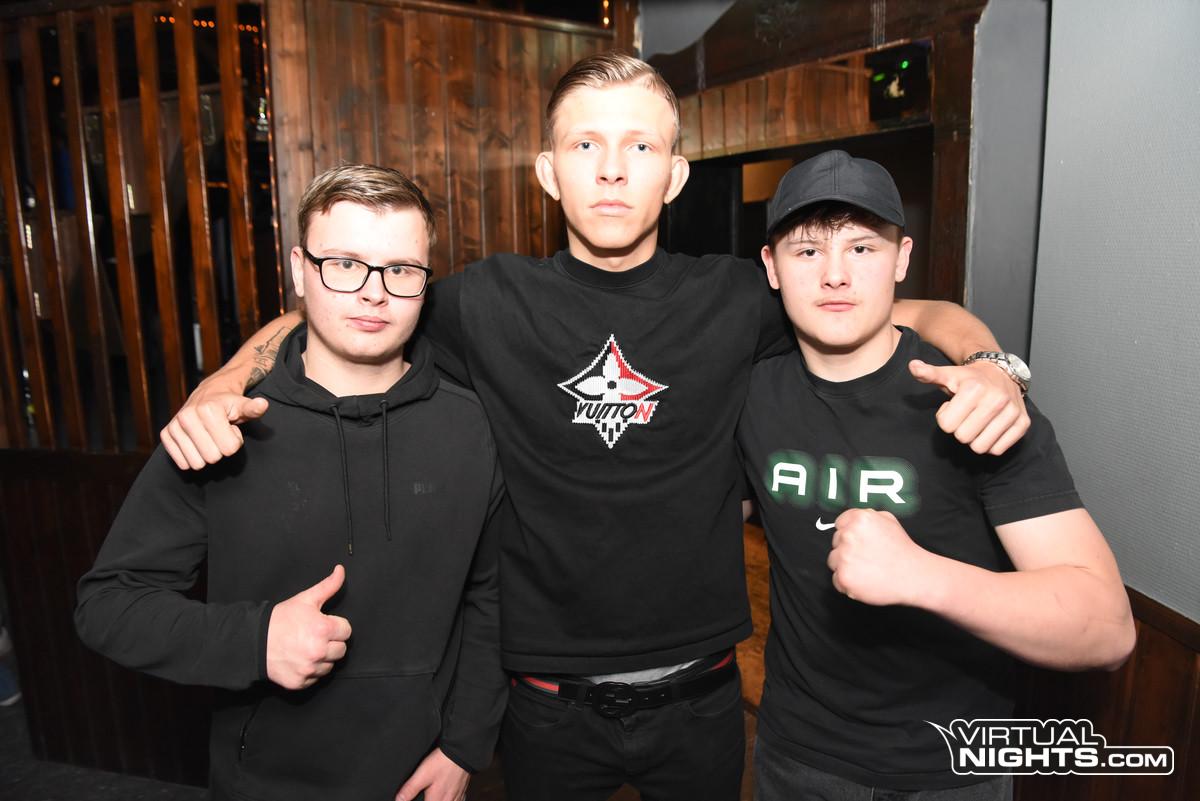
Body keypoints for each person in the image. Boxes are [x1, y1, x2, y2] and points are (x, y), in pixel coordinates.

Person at [156, 54, 1032, 801]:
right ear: (548, 171)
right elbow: (336, 310)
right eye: (586, 145)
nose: (612, 170)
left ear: (674, 175)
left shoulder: (735, 297)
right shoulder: (487, 301)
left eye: (639, 147)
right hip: (544, 704)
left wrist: (992, 364)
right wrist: (222, 381)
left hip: (703, 696)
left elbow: (912, 309)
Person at [75, 165, 508, 801]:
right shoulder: (223, 427)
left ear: (425, 281)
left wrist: (464, 746)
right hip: (265, 779)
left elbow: (490, 596)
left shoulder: (470, 427)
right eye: (345, 264)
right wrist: (256, 643)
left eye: (400, 270)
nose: (373, 293)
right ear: (300, 270)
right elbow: (109, 604)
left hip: (425, 775)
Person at [738, 150, 1136, 800]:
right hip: (795, 755)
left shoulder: (972, 400)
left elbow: (1107, 627)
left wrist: (921, 576)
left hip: (951, 769)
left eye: (862, 248)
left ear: (901, 259)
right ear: (771, 267)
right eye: (807, 251)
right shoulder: (751, 389)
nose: (835, 274)